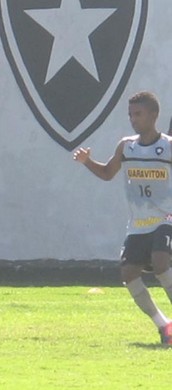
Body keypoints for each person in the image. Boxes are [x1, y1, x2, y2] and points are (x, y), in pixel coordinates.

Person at [74, 91, 172, 345]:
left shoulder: (168, 146)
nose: (133, 119)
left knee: (160, 262)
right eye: (130, 114)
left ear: (153, 115)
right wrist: (87, 162)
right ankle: (164, 325)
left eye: (138, 114)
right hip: (138, 224)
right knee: (129, 273)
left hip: (166, 219)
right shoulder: (127, 146)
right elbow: (108, 173)